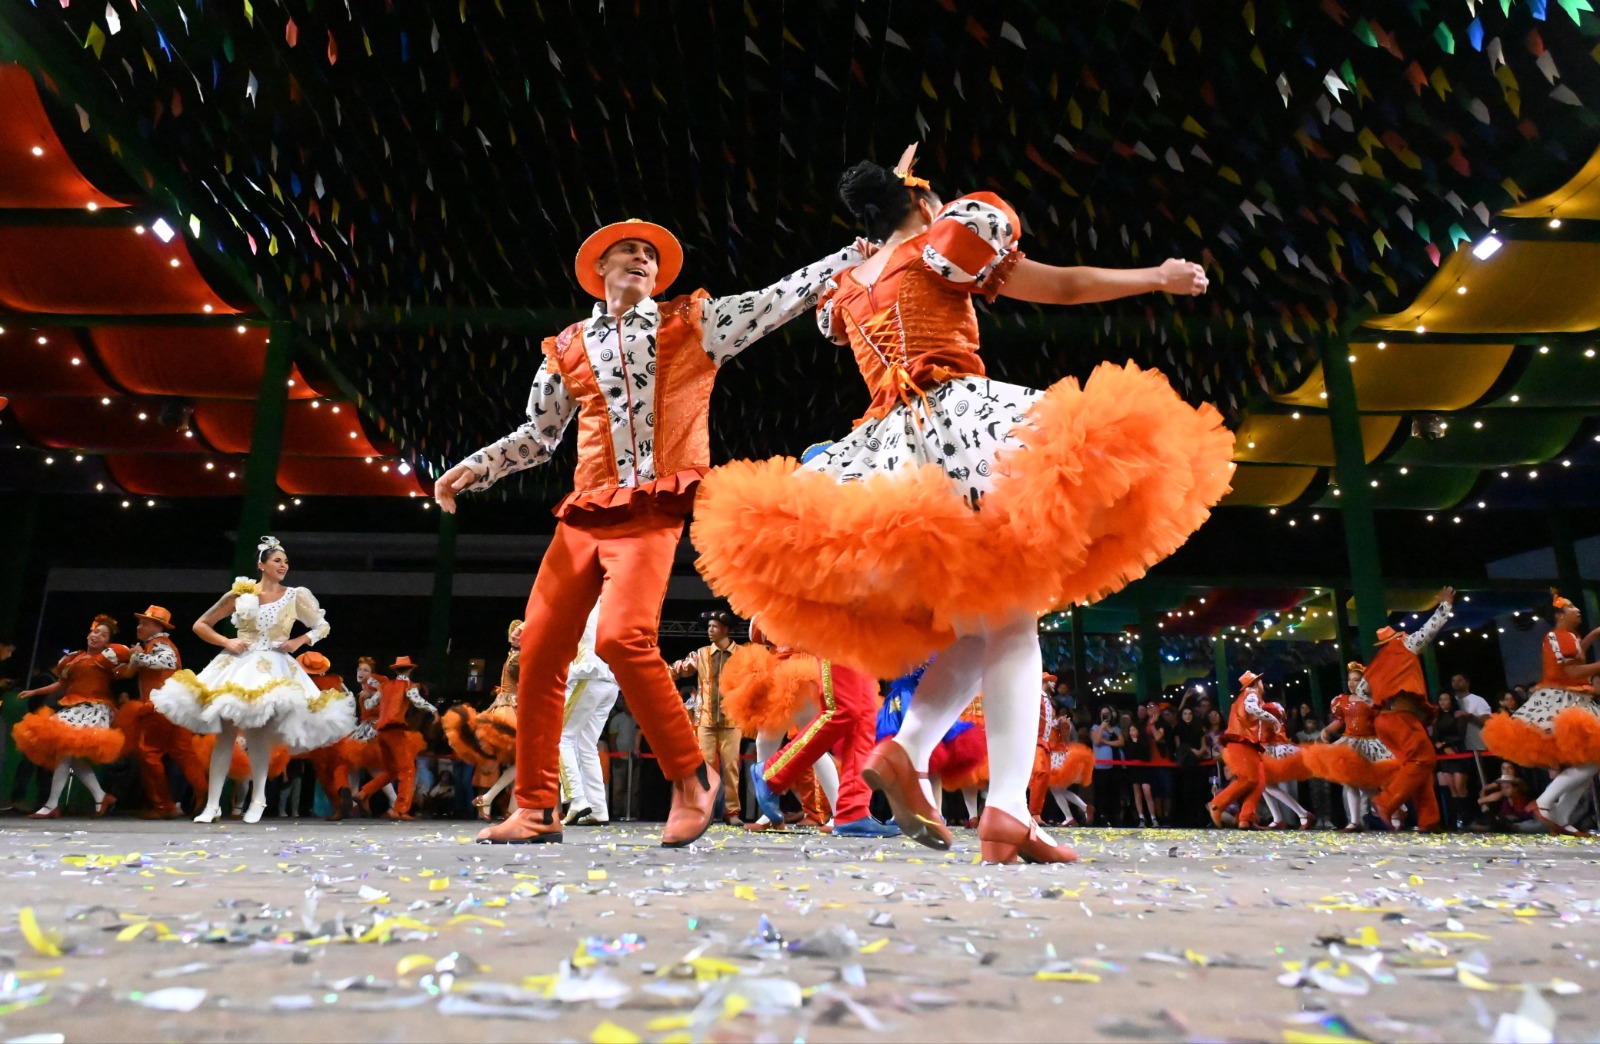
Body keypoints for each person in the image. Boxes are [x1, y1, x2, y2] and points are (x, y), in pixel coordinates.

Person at [692, 146, 1232, 865]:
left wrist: (895, 193)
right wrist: (1154, 277)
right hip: (962, 428)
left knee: (978, 629)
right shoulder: (945, 241)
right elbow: (1062, 286)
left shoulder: (848, 285)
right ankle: (1007, 807)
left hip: (892, 453)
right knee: (1012, 621)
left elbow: (875, 245)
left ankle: (909, 748)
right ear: (922, 204)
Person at [433, 218, 866, 847]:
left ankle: (692, 781)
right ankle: (535, 808)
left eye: (650, 256)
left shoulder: (690, 323)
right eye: (628, 252)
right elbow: (538, 436)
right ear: (600, 269)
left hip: (651, 509)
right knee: (542, 653)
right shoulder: (568, 347)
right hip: (584, 513)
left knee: (621, 637)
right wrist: (473, 469)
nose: (641, 259)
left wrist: (855, 252)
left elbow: (779, 299)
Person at [153, 536, 355, 824]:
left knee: (259, 734)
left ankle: (258, 799)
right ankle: (212, 805)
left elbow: (322, 625)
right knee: (224, 735)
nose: (283, 565)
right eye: (277, 560)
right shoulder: (240, 594)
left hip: (273, 665)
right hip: (237, 663)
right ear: (262, 564)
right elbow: (201, 624)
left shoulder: (294, 595)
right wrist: (228, 641)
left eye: (285, 561)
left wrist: (298, 641)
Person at [1482, 590, 1600, 835]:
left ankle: (1559, 814)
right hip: (1564, 701)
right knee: (1591, 761)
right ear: (1559, 615)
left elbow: (1576, 656)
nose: (1577, 610)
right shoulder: (1557, 637)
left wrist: (1593, 635)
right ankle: (1546, 803)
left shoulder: (1569, 635)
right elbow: (1571, 673)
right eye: (1571, 607)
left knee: (1590, 761)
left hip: (1573, 699)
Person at [12, 615, 128, 818]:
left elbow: (125, 669)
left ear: (107, 641)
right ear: (88, 634)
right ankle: (100, 796)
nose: (96, 636)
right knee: (67, 755)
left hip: (94, 708)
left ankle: (52, 805)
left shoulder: (108, 657)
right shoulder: (74, 658)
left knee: (65, 753)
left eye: (103, 634)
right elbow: (62, 684)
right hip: (73, 707)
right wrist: (35, 692)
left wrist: (135, 656)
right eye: (95, 631)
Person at [1363, 588, 1455, 832]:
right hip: (1402, 717)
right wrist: (1445, 605)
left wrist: (1383, 695)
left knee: (1416, 768)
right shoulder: (1405, 644)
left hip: (1383, 721)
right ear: (1396, 637)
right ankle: (1385, 801)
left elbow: (1362, 691)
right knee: (1424, 759)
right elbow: (1429, 630)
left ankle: (1429, 820)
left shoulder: (1375, 664)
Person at [115, 605, 210, 819]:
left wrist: (137, 656)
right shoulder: (152, 645)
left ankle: (163, 806)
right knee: (184, 753)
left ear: (158, 626)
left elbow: (167, 662)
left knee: (148, 752)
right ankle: (206, 799)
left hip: (159, 706)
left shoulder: (160, 644)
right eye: (140, 623)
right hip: (174, 706)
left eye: (144, 623)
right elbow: (129, 672)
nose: (139, 627)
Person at [672, 611, 744, 825]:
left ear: (726, 629)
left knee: (731, 767)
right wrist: (655, 672)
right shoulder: (701, 654)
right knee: (704, 769)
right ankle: (705, 811)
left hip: (732, 721)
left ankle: (732, 813)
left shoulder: (742, 655)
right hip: (705, 720)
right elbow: (680, 669)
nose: (709, 630)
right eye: (709, 626)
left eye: (714, 626)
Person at [1304, 663, 1396, 831]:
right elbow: (1340, 721)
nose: (1352, 683)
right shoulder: (1342, 701)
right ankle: (1354, 821)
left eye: (1357, 680)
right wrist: (1327, 730)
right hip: (1349, 743)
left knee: (1370, 785)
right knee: (1350, 782)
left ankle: (1390, 815)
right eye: (1350, 680)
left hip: (1368, 744)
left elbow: (1382, 721)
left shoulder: (1371, 701)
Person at [560, 603, 622, 826]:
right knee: (587, 744)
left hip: (588, 672)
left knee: (561, 737)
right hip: (610, 679)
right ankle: (597, 809)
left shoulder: (584, 598)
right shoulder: (614, 601)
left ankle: (576, 800)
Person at [356, 656, 435, 820]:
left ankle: (364, 792)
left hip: (381, 733)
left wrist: (367, 697)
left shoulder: (385, 686)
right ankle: (400, 810)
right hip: (395, 731)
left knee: (392, 770)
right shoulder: (408, 685)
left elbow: (370, 705)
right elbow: (417, 701)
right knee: (407, 769)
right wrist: (434, 710)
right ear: (410, 670)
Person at [294, 651, 360, 820]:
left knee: (323, 771)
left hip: (317, 736)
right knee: (339, 765)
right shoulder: (337, 681)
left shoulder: (303, 685)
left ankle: (338, 803)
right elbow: (350, 701)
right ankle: (343, 787)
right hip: (340, 731)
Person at [1431, 691, 1470, 829]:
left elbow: (1461, 735)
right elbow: (1434, 736)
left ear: (1451, 701)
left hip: (1457, 751)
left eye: (1446, 699)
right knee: (1452, 789)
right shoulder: (1437, 718)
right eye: (1441, 699)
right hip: (1444, 755)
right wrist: (1439, 745)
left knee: (1460, 787)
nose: (1443, 702)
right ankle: (1455, 820)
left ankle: (1466, 818)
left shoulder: (1458, 715)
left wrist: (1447, 745)